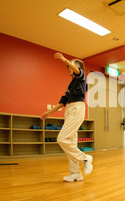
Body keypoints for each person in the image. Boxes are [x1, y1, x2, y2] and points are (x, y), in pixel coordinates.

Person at [40, 52, 93, 182]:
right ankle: (76, 173)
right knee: (71, 143)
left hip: (77, 109)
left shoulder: (81, 78)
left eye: (71, 66)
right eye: (68, 66)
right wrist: (48, 113)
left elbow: (77, 71)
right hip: (69, 111)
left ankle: (84, 158)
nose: (69, 68)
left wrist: (64, 60)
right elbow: (62, 103)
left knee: (61, 139)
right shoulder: (70, 86)